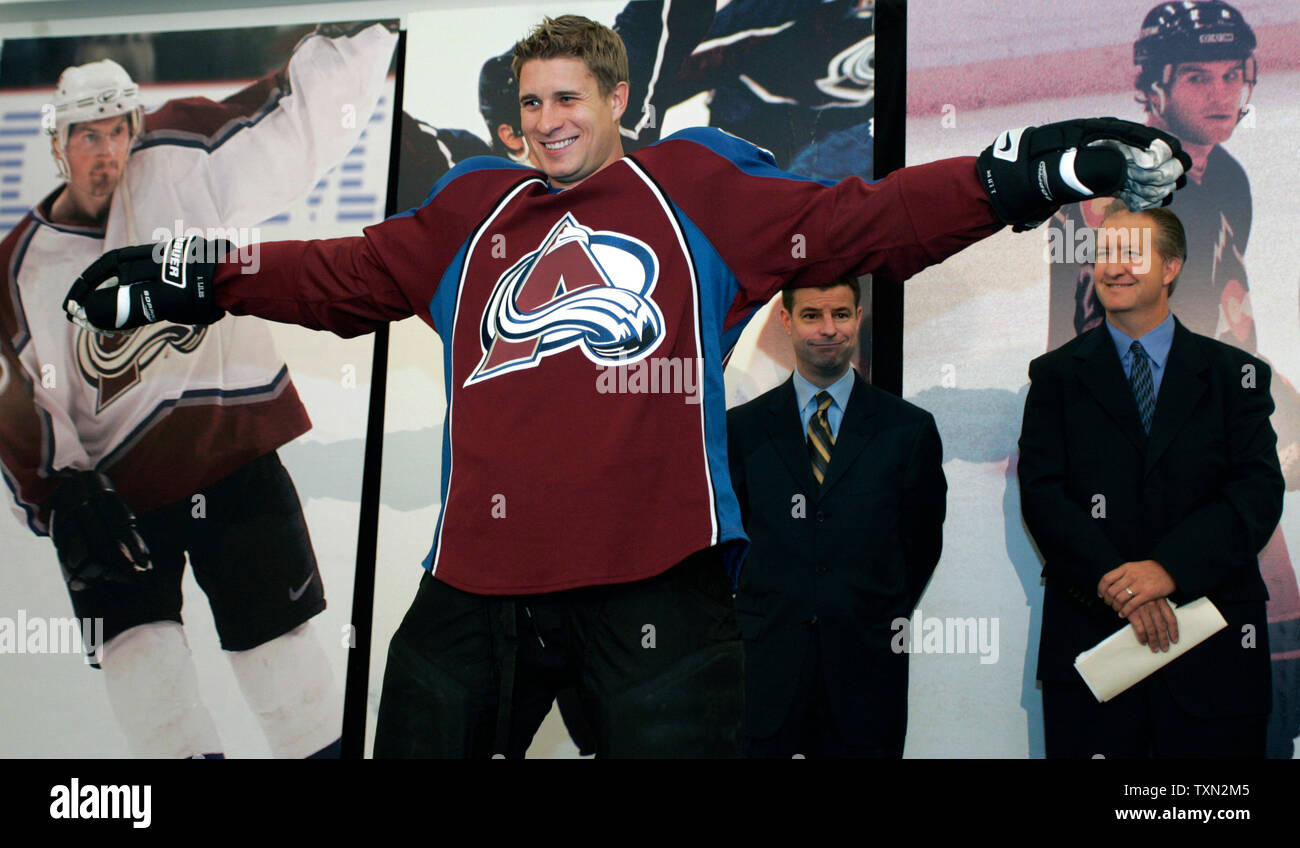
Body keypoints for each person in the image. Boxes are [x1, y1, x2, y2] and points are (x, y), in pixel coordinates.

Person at [64, 14, 1189, 758]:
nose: (549, 122)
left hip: (659, 588)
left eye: (570, 100)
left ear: (615, 100)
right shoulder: (473, 211)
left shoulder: (694, 190)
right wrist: (183, 276)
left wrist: (1028, 168)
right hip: (475, 589)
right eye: (531, 105)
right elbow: (337, 272)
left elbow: (868, 220)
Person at [0, 23, 397, 758]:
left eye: (118, 131)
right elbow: (21, 404)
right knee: (147, 686)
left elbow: (292, 125)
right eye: (87, 136)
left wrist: (358, 27)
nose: (107, 151)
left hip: (230, 458)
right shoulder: (17, 269)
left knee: (285, 673)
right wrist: (61, 496)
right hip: (111, 501)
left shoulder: (180, 155)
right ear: (56, 144)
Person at [1046, 0, 1300, 759]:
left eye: (1231, 74)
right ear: (1152, 84)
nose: (1220, 94)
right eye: (1197, 76)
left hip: (1219, 431)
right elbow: (1077, 326)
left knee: (1269, 632)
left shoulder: (1234, 180)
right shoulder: (1108, 184)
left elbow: (1227, 323)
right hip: (1131, 470)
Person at [1019, 204, 1283, 758]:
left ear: (1171, 267)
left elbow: (1256, 495)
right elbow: (1043, 495)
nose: (1113, 268)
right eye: (1104, 254)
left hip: (1213, 648)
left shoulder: (1237, 377)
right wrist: (1123, 586)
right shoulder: (1055, 377)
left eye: (1132, 254)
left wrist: (1168, 571)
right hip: (1096, 642)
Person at [727, 276, 943, 757]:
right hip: (765, 665)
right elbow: (731, 543)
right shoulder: (741, 431)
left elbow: (921, 543)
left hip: (866, 668)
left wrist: (869, 610)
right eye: (811, 316)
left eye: (840, 315)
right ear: (786, 320)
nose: (828, 329)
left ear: (858, 318)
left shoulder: (909, 430)